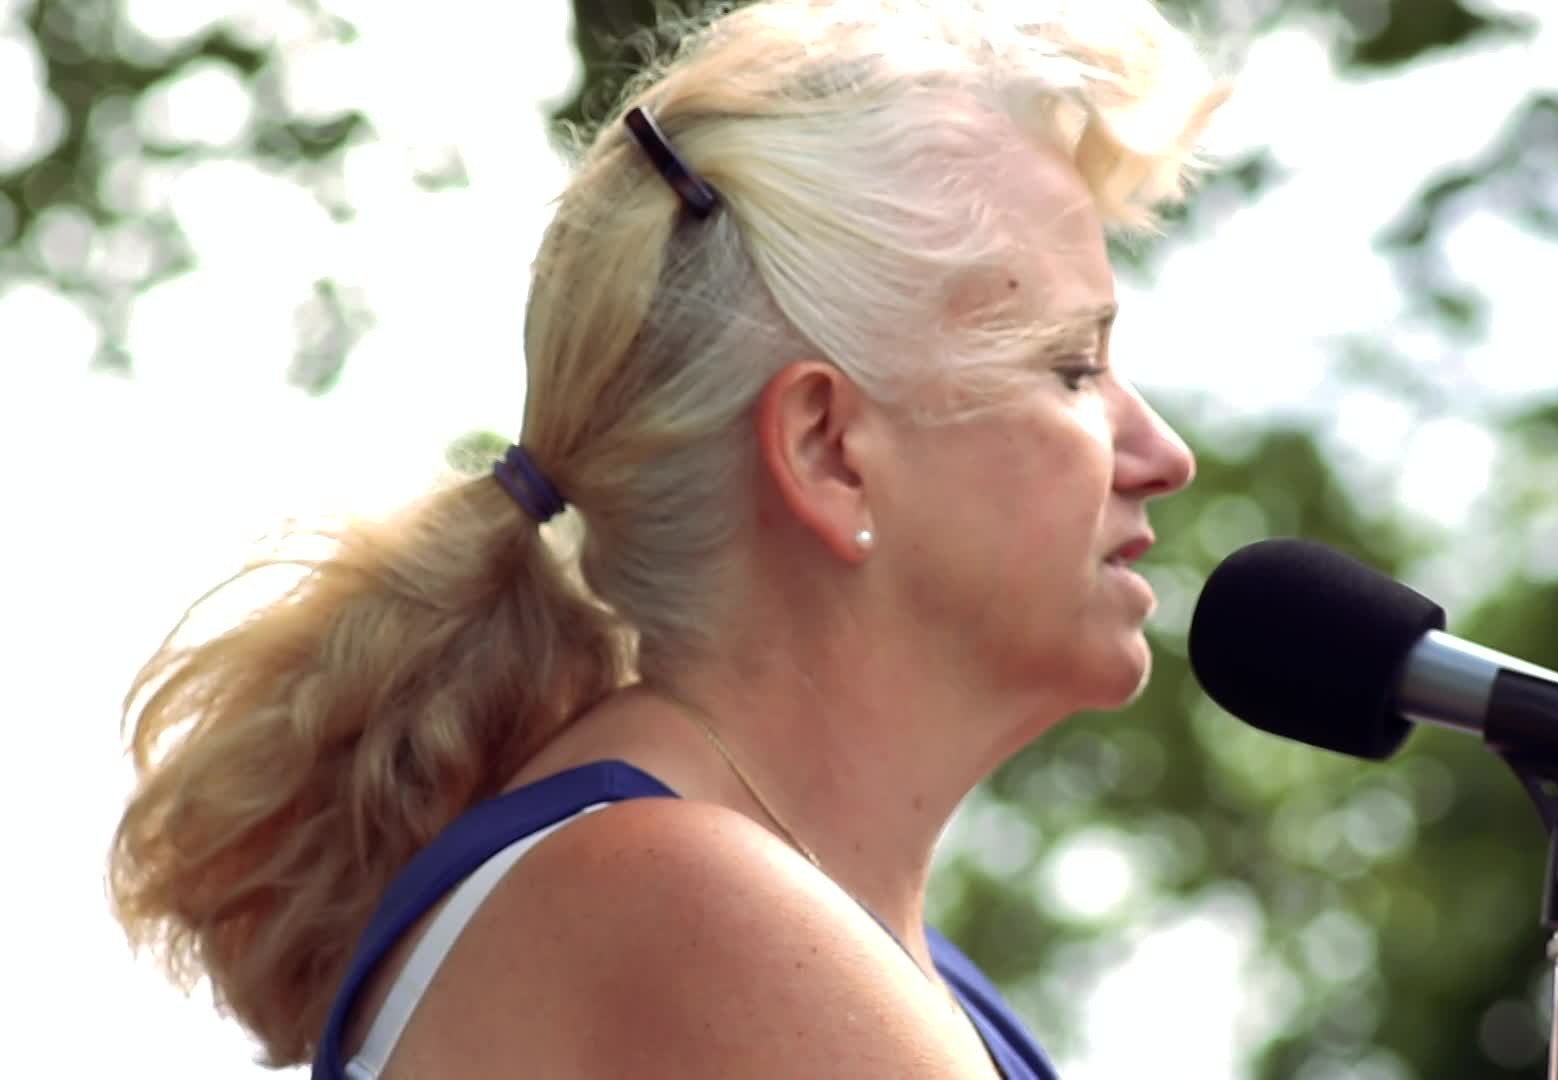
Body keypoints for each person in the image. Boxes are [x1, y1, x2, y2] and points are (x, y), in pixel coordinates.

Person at [108, 1, 1227, 1075]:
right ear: (829, 449)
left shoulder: (817, 930)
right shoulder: (688, 903)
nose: (1163, 453)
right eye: (1072, 367)